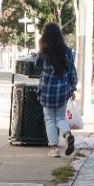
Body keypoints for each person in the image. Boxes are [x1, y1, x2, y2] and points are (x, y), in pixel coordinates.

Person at [36, 22, 78, 158]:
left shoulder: (43, 53)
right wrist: (73, 87)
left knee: (49, 119)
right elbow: (72, 72)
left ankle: (54, 149)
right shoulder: (67, 52)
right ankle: (67, 135)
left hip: (47, 91)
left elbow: (37, 66)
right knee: (60, 117)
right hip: (62, 91)